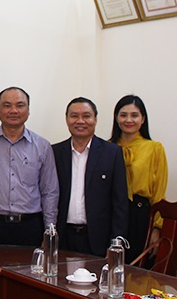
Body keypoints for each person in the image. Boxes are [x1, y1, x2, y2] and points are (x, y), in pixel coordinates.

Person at [0, 87, 59, 247]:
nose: (13, 110)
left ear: (28, 110)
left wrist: (49, 230)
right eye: (7, 105)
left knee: (29, 271)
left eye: (20, 105)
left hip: (30, 227)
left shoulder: (42, 146)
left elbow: (49, 191)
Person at [53, 97, 128, 257]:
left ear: (95, 119)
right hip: (63, 236)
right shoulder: (55, 152)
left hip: (98, 239)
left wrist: (116, 242)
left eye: (86, 116)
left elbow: (120, 202)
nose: (80, 121)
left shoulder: (112, 153)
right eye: (74, 116)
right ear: (66, 119)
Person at [109, 95, 168, 263]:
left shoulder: (154, 148)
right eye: (123, 115)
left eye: (134, 115)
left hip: (139, 214)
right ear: (116, 118)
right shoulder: (106, 148)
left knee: (136, 268)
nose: (128, 120)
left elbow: (159, 191)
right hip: (110, 213)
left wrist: (157, 228)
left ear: (143, 119)